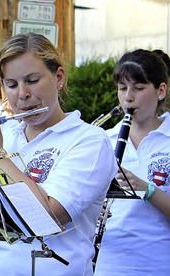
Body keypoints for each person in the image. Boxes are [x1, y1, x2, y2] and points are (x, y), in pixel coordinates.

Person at [0, 33, 117, 275]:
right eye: (11, 85)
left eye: (32, 80)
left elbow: (47, 217)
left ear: (59, 77)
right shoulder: (3, 133)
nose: (22, 94)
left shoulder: (89, 141)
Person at [94, 49, 170, 275]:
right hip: (108, 263)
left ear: (160, 91)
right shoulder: (103, 140)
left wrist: (147, 190)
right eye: (122, 88)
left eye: (138, 88)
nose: (128, 97)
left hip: (157, 262)